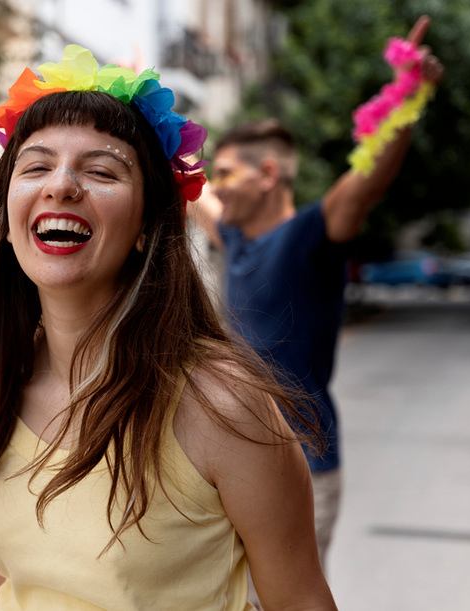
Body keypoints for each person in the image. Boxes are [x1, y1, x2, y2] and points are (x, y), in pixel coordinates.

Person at [0, 45, 338, 611]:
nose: (60, 185)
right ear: (7, 221)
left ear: (144, 228)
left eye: (101, 170)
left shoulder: (224, 404)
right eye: (35, 166)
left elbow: (300, 600)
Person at [187, 17, 445, 573]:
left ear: (269, 175)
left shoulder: (310, 235)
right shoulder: (233, 238)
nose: (216, 183)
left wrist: (407, 95)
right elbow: (191, 185)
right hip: (230, 461)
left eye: (226, 172)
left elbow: (368, 179)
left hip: (304, 463)